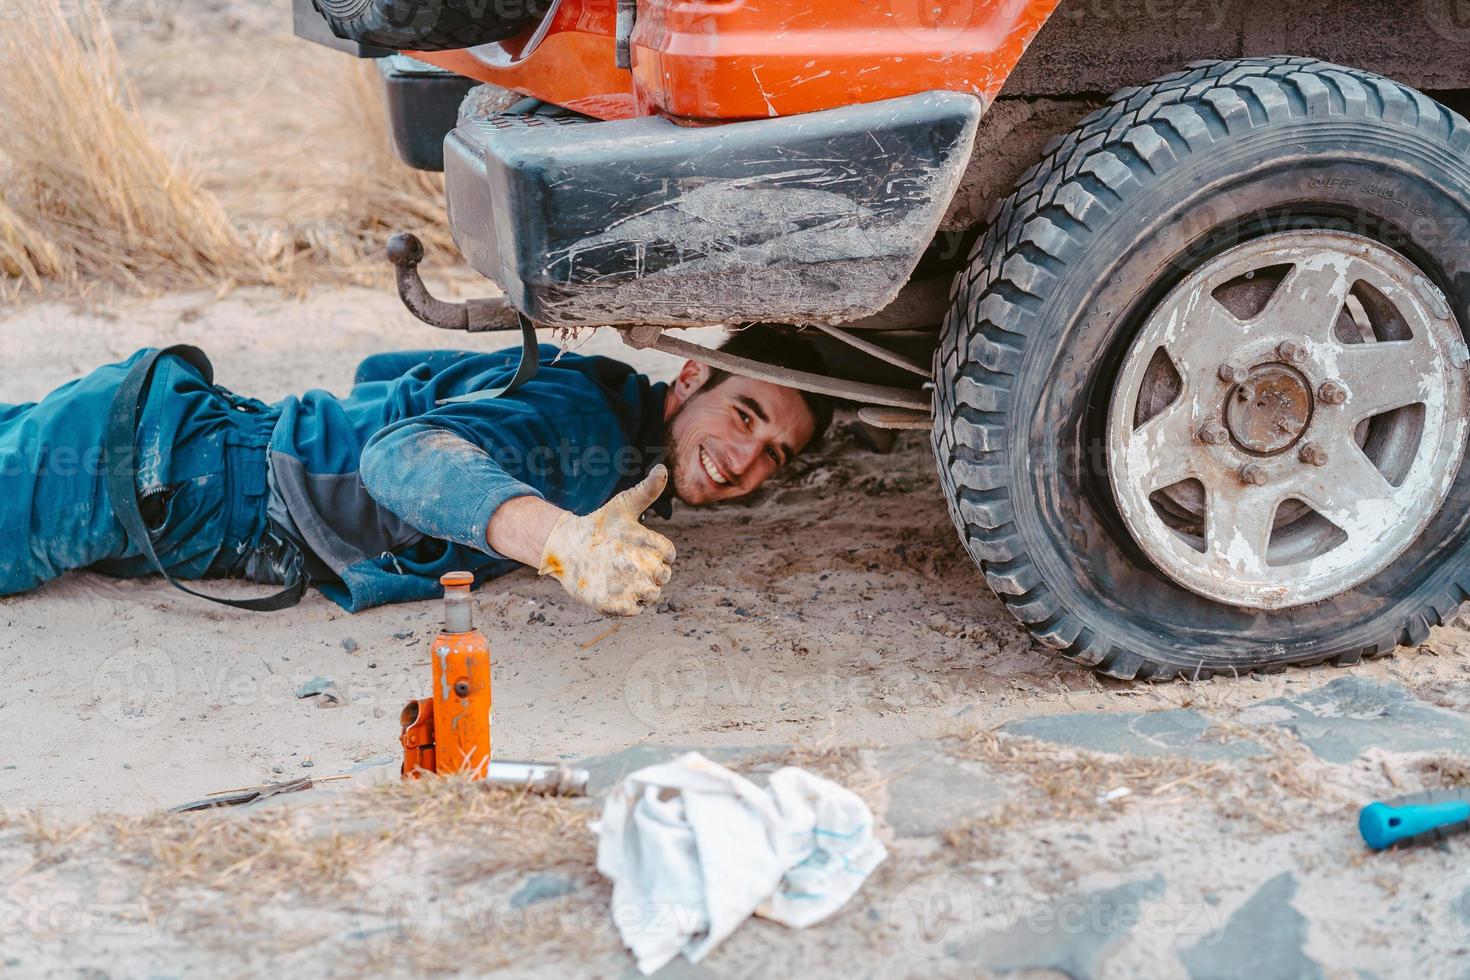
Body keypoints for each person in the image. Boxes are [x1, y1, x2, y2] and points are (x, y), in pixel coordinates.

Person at [0, 326, 832, 615]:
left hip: (184, 441)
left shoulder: (597, 397)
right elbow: (396, 454)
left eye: (774, 456)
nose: (744, 459)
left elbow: (387, 372)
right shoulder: (583, 424)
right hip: (174, 476)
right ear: (690, 378)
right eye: (746, 415)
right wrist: (559, 542)